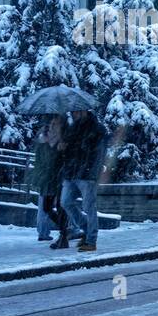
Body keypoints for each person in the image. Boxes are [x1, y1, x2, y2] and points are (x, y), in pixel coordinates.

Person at [58, 108, 110, 252]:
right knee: (65, 202)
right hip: (71, 172)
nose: (73, 114)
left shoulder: (97, 129)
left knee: (89, 207)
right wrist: (64, 147)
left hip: (87, 174)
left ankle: (91, 240)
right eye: (72, 112)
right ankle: (86, 229)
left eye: (75, 112)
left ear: (84, 112)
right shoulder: (73, 128)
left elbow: (99, 153)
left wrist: (92, 171)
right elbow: (69, 151)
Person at [28, 115, 69, 246]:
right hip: (47, 179)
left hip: (58, 179)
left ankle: (63, 235)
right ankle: (65, 230)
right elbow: (40, 161)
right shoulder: (44, 141)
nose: (53, 126)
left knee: (60, 207)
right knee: (46, 207)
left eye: (55, 124)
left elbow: (63, 161)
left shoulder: (62, 141)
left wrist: (62, 150)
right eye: (52, 124)